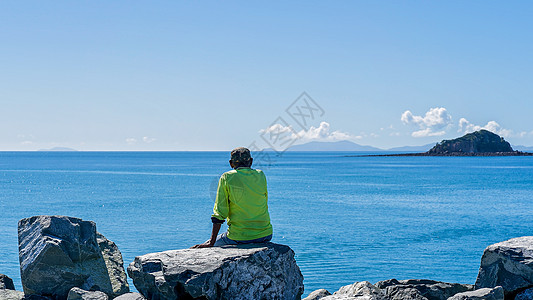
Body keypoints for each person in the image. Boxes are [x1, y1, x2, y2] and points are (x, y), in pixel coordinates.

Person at [192, 147, 273, 248]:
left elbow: (220, 213)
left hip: (239, 237)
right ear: (251, 161)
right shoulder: (260, 175)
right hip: (265, 235)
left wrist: (211, 242)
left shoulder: (227, 177)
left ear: (231, 163)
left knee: (205, 248)